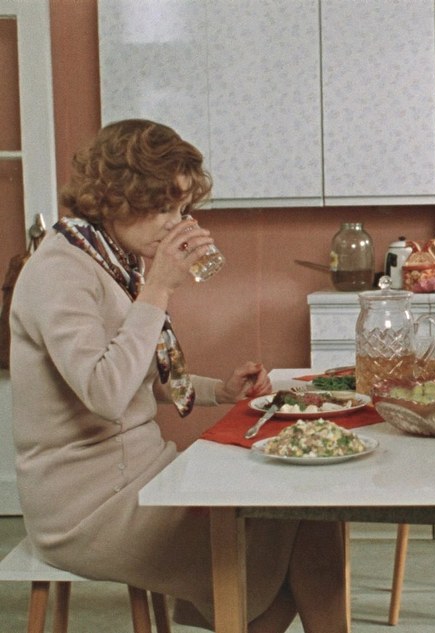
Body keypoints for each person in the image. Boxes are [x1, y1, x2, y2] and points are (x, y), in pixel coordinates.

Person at [10, 119, 347, 632]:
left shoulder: (111, 258)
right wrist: (159, 288)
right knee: (293, 526)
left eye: (182, 209)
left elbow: (139, 371)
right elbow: (106, 393)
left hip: (143, 474)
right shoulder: (61, 270)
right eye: (164, 208)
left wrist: (219, 390)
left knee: (303, 510)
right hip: (86, 508)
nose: (176, 224)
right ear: (117, 197)